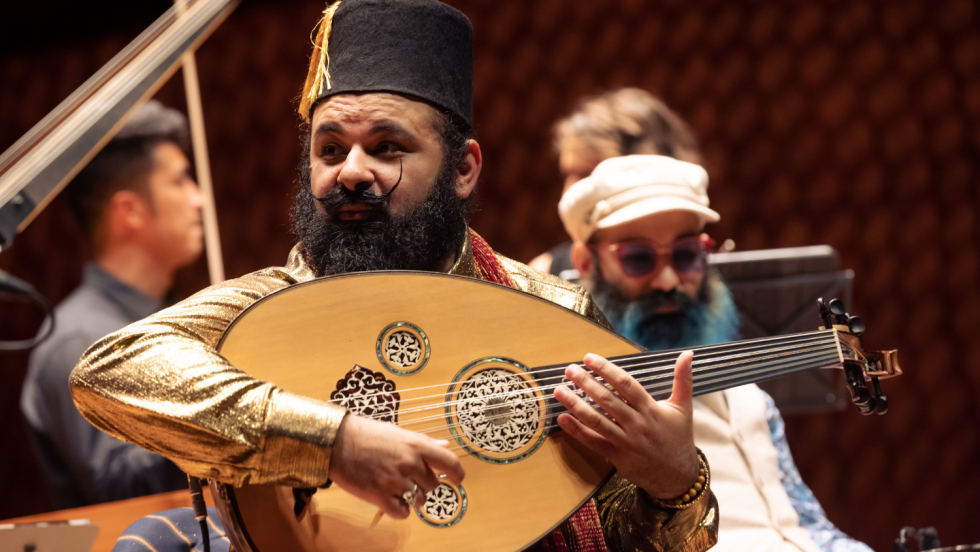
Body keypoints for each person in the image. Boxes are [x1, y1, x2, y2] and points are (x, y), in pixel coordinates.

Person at [72, 2, 718, 551]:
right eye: (330, 149)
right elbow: (108, 371)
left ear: (463, 169)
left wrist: (674, 482)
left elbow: (622, 535)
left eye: (387, 147)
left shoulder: (553, 310)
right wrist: (333, 441)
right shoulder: (266, 307)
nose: (351, 171)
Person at [558, 154, 871, 552]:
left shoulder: (751, 398)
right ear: (587, 262)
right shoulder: (577, 407)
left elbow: (806, 527)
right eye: (638, 258)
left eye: (687, 254)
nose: (669, 280)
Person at [20, 100, 204, 508]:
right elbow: (121, 487)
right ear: (130, 210)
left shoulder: (175, 316)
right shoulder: (77, 339)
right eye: (181, 182)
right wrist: (223, 413)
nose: (199, 200)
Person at [530, 88, 702, 279]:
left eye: (587, 175)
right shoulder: (542, 272)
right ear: (583, 262)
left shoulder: (700, 272)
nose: (567, 192)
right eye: (568, 175)